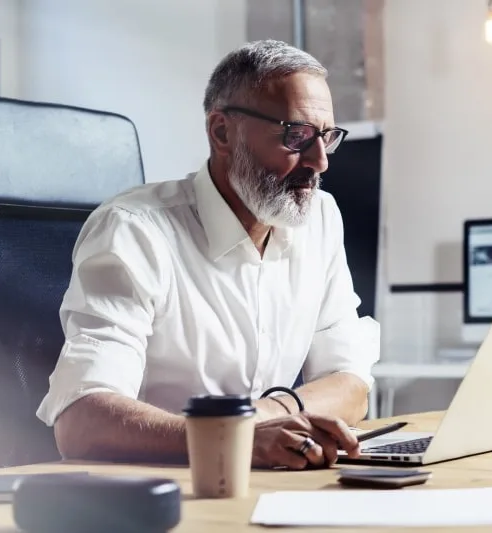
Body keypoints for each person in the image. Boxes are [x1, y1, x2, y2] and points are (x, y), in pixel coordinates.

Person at [35, 40, 380, 470]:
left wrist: (265, 418)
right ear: (221, 133)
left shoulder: (320, 219)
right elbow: (81, 424)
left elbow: (351, 384)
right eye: (297, 136)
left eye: (327, 137)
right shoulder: (134, 229)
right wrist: (235, 440)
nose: (321, 161)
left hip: (267, 483)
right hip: (153, 495)